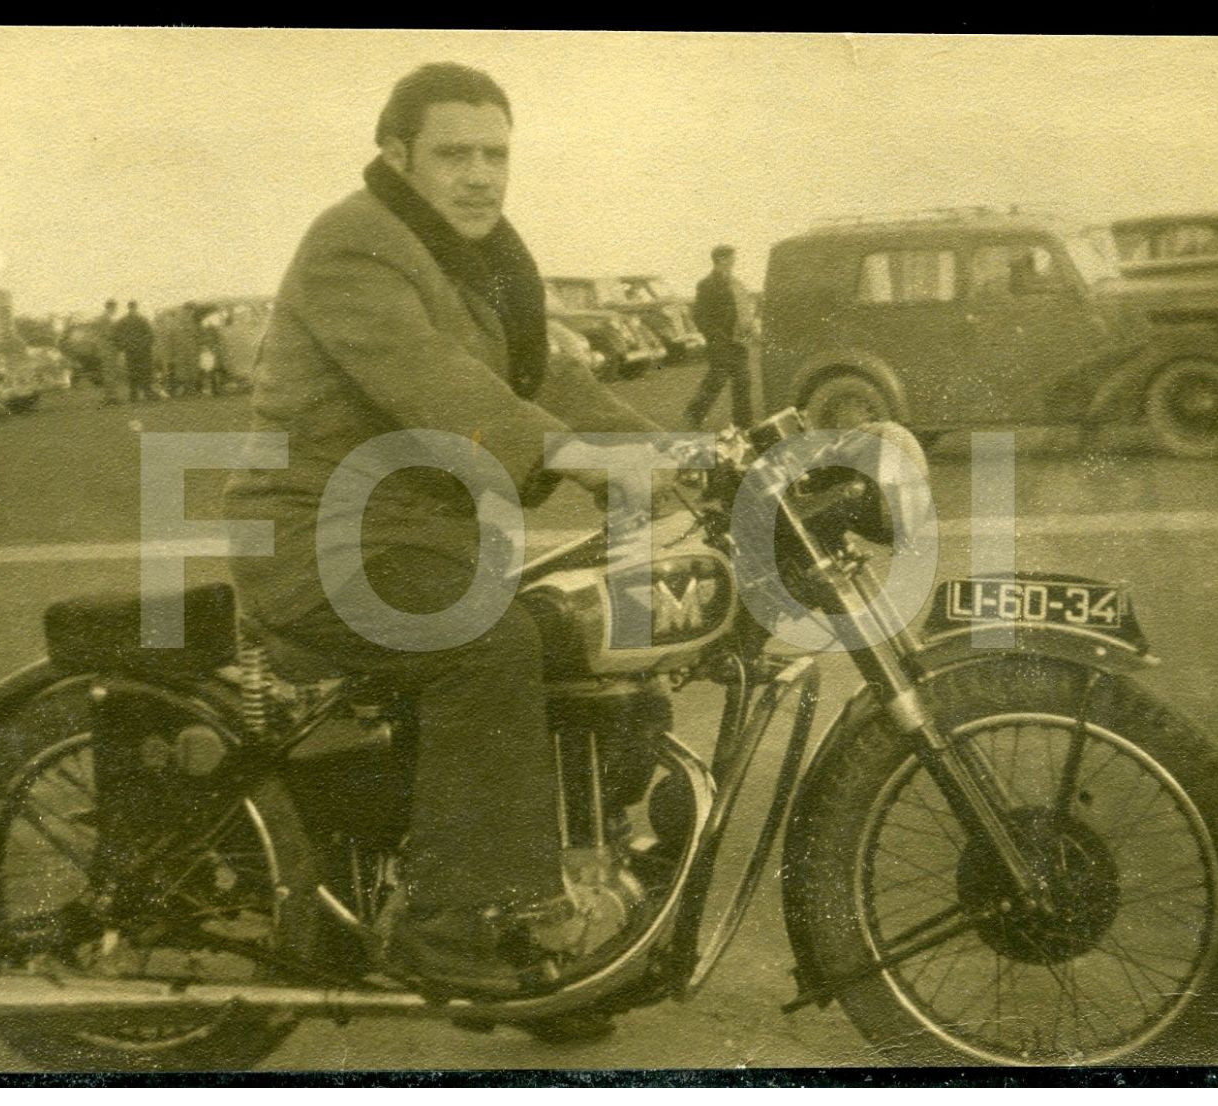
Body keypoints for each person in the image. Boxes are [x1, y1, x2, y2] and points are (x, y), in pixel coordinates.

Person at [222, 63, 663, 999]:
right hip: (317, 538)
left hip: (417, 542)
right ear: (397, 155)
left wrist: (690, 454)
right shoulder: (355, 245)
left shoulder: (484, 260)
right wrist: (568, 458)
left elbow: (543, 380)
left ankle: (558, 923)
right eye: (454, 153)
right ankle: (456, 926)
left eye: (495, 154)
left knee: (582, 641)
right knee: (483, 643)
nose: (480, 175)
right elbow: (430, 379)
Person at [685, 245, 755, 430]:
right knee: (716, 381)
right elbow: (699, 316)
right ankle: (693, 414)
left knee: (743, 381)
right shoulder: (706, 284)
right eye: (732, 257)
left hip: (738, 341)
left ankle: (744, 424)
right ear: (721, 259)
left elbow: (743, 309)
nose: (735, 261)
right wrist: (715, 336)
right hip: (720, 342)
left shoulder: (736, 283)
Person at [112, 300, 158, 403]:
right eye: (133, 307)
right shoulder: (141, 319)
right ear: (134, 307)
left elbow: (116, 335)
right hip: (141, 351)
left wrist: (123, 346)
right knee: (142, 371)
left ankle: (136, 395)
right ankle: (143, 393)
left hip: (134, 351)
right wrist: (145, 345)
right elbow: (150, 335)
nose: (133, 309)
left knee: (135, 371)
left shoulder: (124, 320)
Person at [95, 299, 126, 405]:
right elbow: (109, 335)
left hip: (107, 349)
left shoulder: (104, 318)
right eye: (114, 307)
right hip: (108, 349)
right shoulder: (105, 319)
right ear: (110, 307)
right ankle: (111, 397)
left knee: (109, 372)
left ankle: (110, 396)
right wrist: (119, 338)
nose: (116, 310)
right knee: (110, 373)